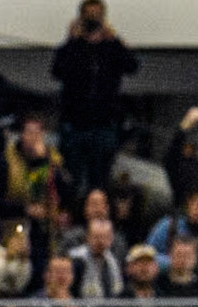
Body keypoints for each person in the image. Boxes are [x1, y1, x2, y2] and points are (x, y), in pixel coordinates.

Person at [49, 0, 136, 194]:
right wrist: (71, 40)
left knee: (101, 180)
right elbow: (56, 71)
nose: (93, 21)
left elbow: (132, 66)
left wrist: (115, 40)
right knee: (71, 180)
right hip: (74, 125)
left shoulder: (111, 47)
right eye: (89, 16)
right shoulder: (73, 47)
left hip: (104, 124)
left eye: (97, 15)